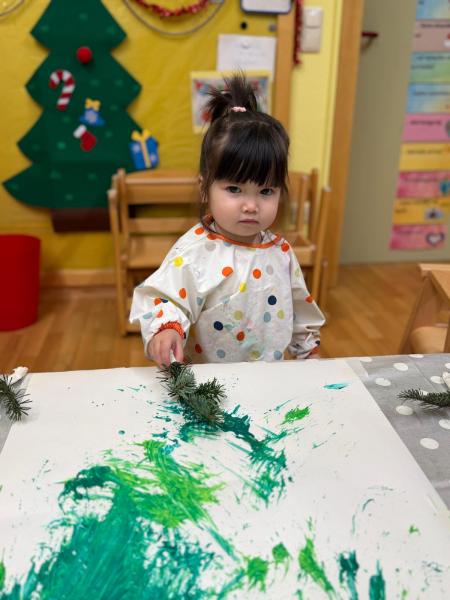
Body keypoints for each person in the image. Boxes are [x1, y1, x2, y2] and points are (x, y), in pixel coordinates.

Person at [130, 74, 325, 367]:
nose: (251, 206)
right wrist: (167, 328)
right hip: (210, 382)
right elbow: (165, 297)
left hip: (271, 377)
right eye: (234, 189)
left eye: (266, 191)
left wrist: (309, 350)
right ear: (204, 188)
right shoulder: (194, 252)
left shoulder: (281, 252)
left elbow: (299, 310)